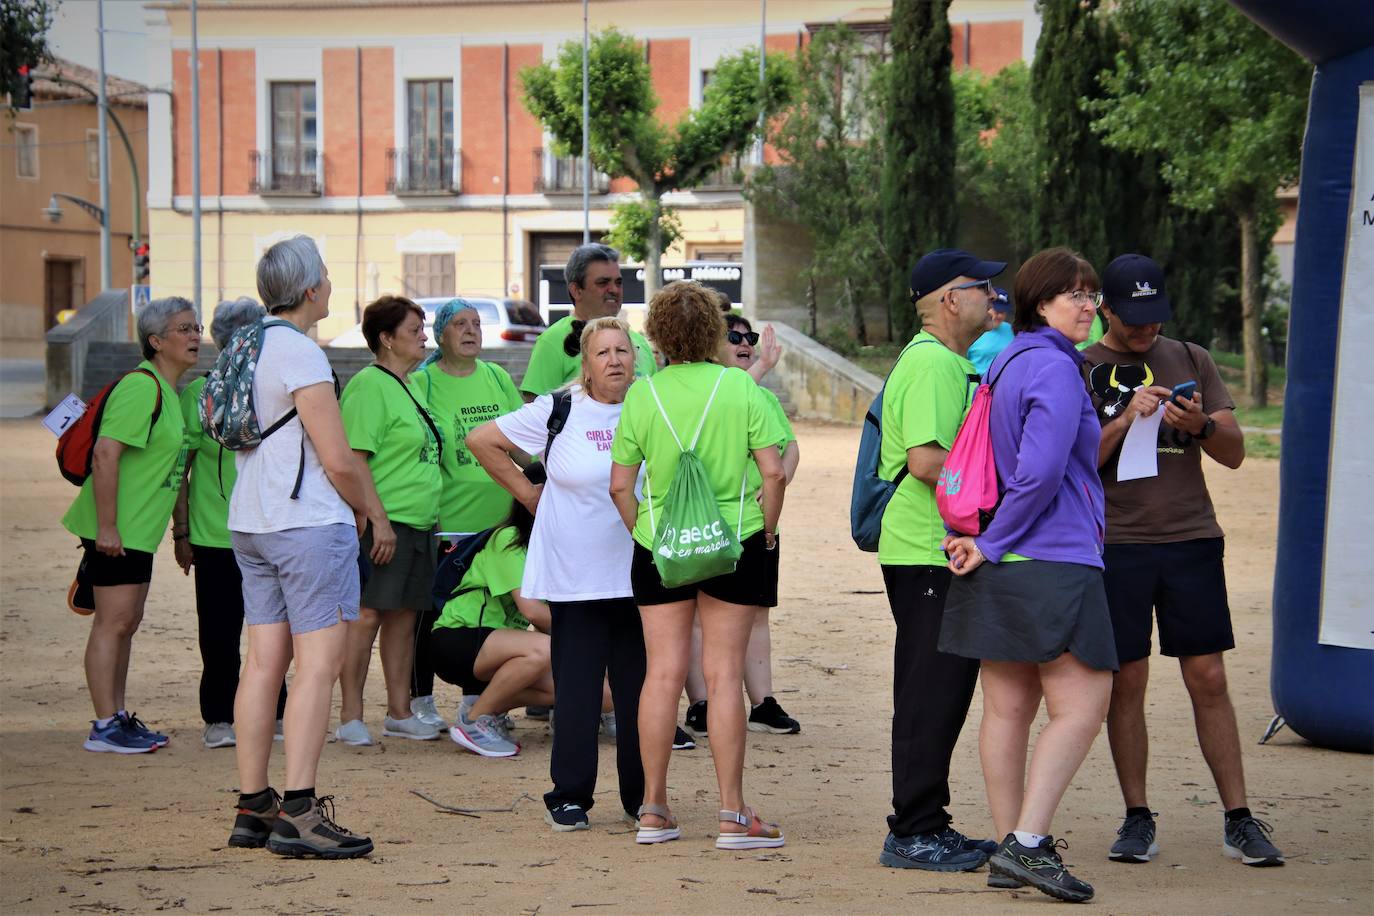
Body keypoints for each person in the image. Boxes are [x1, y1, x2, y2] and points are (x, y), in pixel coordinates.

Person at [1082, 254, 1284, 868]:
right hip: (1117, 544)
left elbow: (1235, 453)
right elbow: (1074, 462)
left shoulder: (1190, 357)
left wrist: (1199, 425)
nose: (1146, 330)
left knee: (1210, 678)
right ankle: (1137, 816)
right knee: (1127, 684)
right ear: (1105, 310)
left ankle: (1239, 818)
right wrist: (1124, 417)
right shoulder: (1080, 367)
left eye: (1155, 317)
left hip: (1192, 539)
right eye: (1132, 318)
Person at [940, 247, 1116, 903]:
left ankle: (1010, 843)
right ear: (1040, 302)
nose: (1088, 305)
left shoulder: (1006, 361)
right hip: (1051, 559)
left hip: (1005, 560)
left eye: (1092, 295)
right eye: (1074, 295)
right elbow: (1040, 473)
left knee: (1008, 708)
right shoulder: (1056, 368)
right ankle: (1030, 844)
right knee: (1082, 705)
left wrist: (987, 543)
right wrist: (992, 542)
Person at [610, 281, 788, 850]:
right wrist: (767, 529)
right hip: (733, 542)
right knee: (724, 675)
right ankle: (733, 814)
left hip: (659, 545)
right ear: (714, 331)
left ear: (656, 337)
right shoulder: (741, 388)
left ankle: (654, 809)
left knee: (661, 675)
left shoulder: (642, 395)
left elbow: (620, 484)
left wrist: (644, 531)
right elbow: (774, 471)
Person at [228, 235, 378, 857]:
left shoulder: (243, 342)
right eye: (327, 275)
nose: (330, 286)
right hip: (308, 523)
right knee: (318, 665)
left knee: (262, 664)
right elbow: (337, 457)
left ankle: (253, 804)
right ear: (311, 288)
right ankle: (300, 811)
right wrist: (369, 509)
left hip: (252, 519)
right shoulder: (301, 353)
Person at [469, 317, 647, 832]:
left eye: (623, 350)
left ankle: (643, 797)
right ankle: (569, 796)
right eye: (603, 353)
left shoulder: (650, 405)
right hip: (576, 577)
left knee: (640, 692)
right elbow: (483, 441)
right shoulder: (560, 408)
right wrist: (529, 494)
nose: (615, 359)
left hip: (640, 575)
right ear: (586, 368)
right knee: (578, 690)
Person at [874, 249, 1001, 873]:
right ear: (952, 299)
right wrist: (999, 495)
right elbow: (927, 463)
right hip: (929, 550)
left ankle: (928, 822)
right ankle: (915, 829)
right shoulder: (931, 365)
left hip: (934, 548)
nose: (993, 295)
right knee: (932, 691)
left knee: (941, 691)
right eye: (983, 286)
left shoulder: (947, 362)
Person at [62, 296, 196, 753]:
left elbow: (176, 469)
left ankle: (117, 716)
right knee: (112, 623)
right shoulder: (143, 387)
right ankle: (103, 727)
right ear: (156, 341)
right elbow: (105, 453)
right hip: (116, 529)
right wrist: (107, 527)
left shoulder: (169, 390)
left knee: (127, 621)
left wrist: (180, 532)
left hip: (136, 530)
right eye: (184, 329)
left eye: (196, 327)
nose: (195, 336)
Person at [173, 296, 287, 748]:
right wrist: (181, 532)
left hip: (269, 528)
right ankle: (219, 716)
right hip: (214, 535)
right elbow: (180, 469)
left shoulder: (275, 386)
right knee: (219, 631)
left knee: (273, 628)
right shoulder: (196, 396)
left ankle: (274, 712)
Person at [408, 298, 524, 732]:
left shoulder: (495, 376)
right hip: (447, 522)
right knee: (433, 614)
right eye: (460, 323)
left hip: (497, 520)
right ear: (441, 334)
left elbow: (519, 439)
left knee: (490, 612)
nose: (471, 330)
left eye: (476, 323)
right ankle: (419, 701)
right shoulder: (424, 382)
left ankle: (480, 701)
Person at [683, 313, 801, 738]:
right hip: (705, 523)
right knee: (698, 617)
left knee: (756, 614)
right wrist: (762, 368)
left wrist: (777, 481)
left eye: (749, 336)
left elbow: (789, 449)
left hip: (755, 523)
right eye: (733, 336)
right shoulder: (705, 389)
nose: (745, 342)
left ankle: (763, 702)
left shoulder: (762, 397)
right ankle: (701, 703)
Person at [336, 295, 443, 745]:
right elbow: (355, 459)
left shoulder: (413, 384)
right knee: (367, 616)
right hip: (387, 521)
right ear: (386, 338)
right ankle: (351, 715)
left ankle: (399, 711)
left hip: (419, 522)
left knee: (404, 618)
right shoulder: (368, 385)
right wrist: (376, 520)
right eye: (415, 329)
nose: (424, 336)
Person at [430, 502, 553, 758]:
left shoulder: (549, 545)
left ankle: (489, 710)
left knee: (586, 689)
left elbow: (547, 622)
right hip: (459, 636)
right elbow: (533, 611)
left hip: (497, 648)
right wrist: (591, 635)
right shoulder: (509, 536)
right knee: (545, 649)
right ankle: (474, 722)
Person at [519, 243, 657, 400]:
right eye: (603, 283)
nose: (614, 289)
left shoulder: (638, 341)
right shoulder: (553, 340)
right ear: (576, 290)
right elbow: (533, 410)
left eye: (618, 282)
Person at [966, 287, 1014, 376]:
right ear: (988, 307)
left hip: (1005, 382)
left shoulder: (1011, 330)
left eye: (1002, 312)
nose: (998, 316)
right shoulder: (972, 329)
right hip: (977, 383)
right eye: (996, 310)